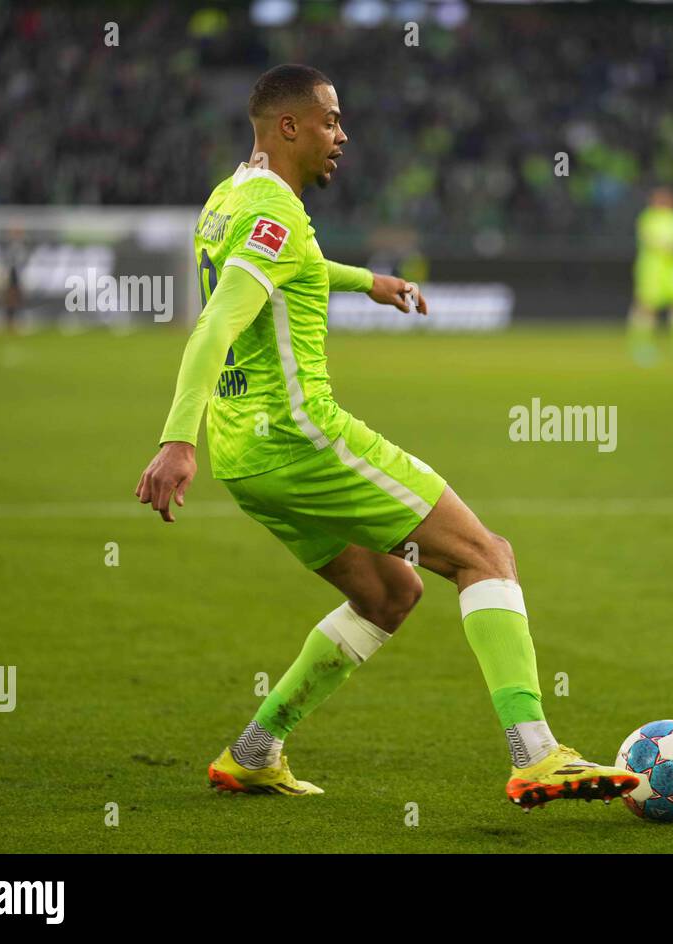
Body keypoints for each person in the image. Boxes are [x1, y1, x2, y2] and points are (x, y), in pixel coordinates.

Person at [134, 64, 637, 810]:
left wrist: (366, 279)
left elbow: (285, 265)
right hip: (300, 437)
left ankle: (254, 750)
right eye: (332, 121)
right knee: (484, 554)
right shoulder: (275, 209)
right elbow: (216, 323)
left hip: (248, 457)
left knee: (390, 593)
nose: (344, 136)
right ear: (290, 127)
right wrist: (177, 438)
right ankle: (536, 754)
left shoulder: (228, 197)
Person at [628, 186, 673, 364]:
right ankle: (640, 346)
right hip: (652, 269)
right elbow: (650, 240)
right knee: (646, 307)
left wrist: (671, 247)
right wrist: (666, 246)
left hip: (672, 269)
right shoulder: (648, 217)